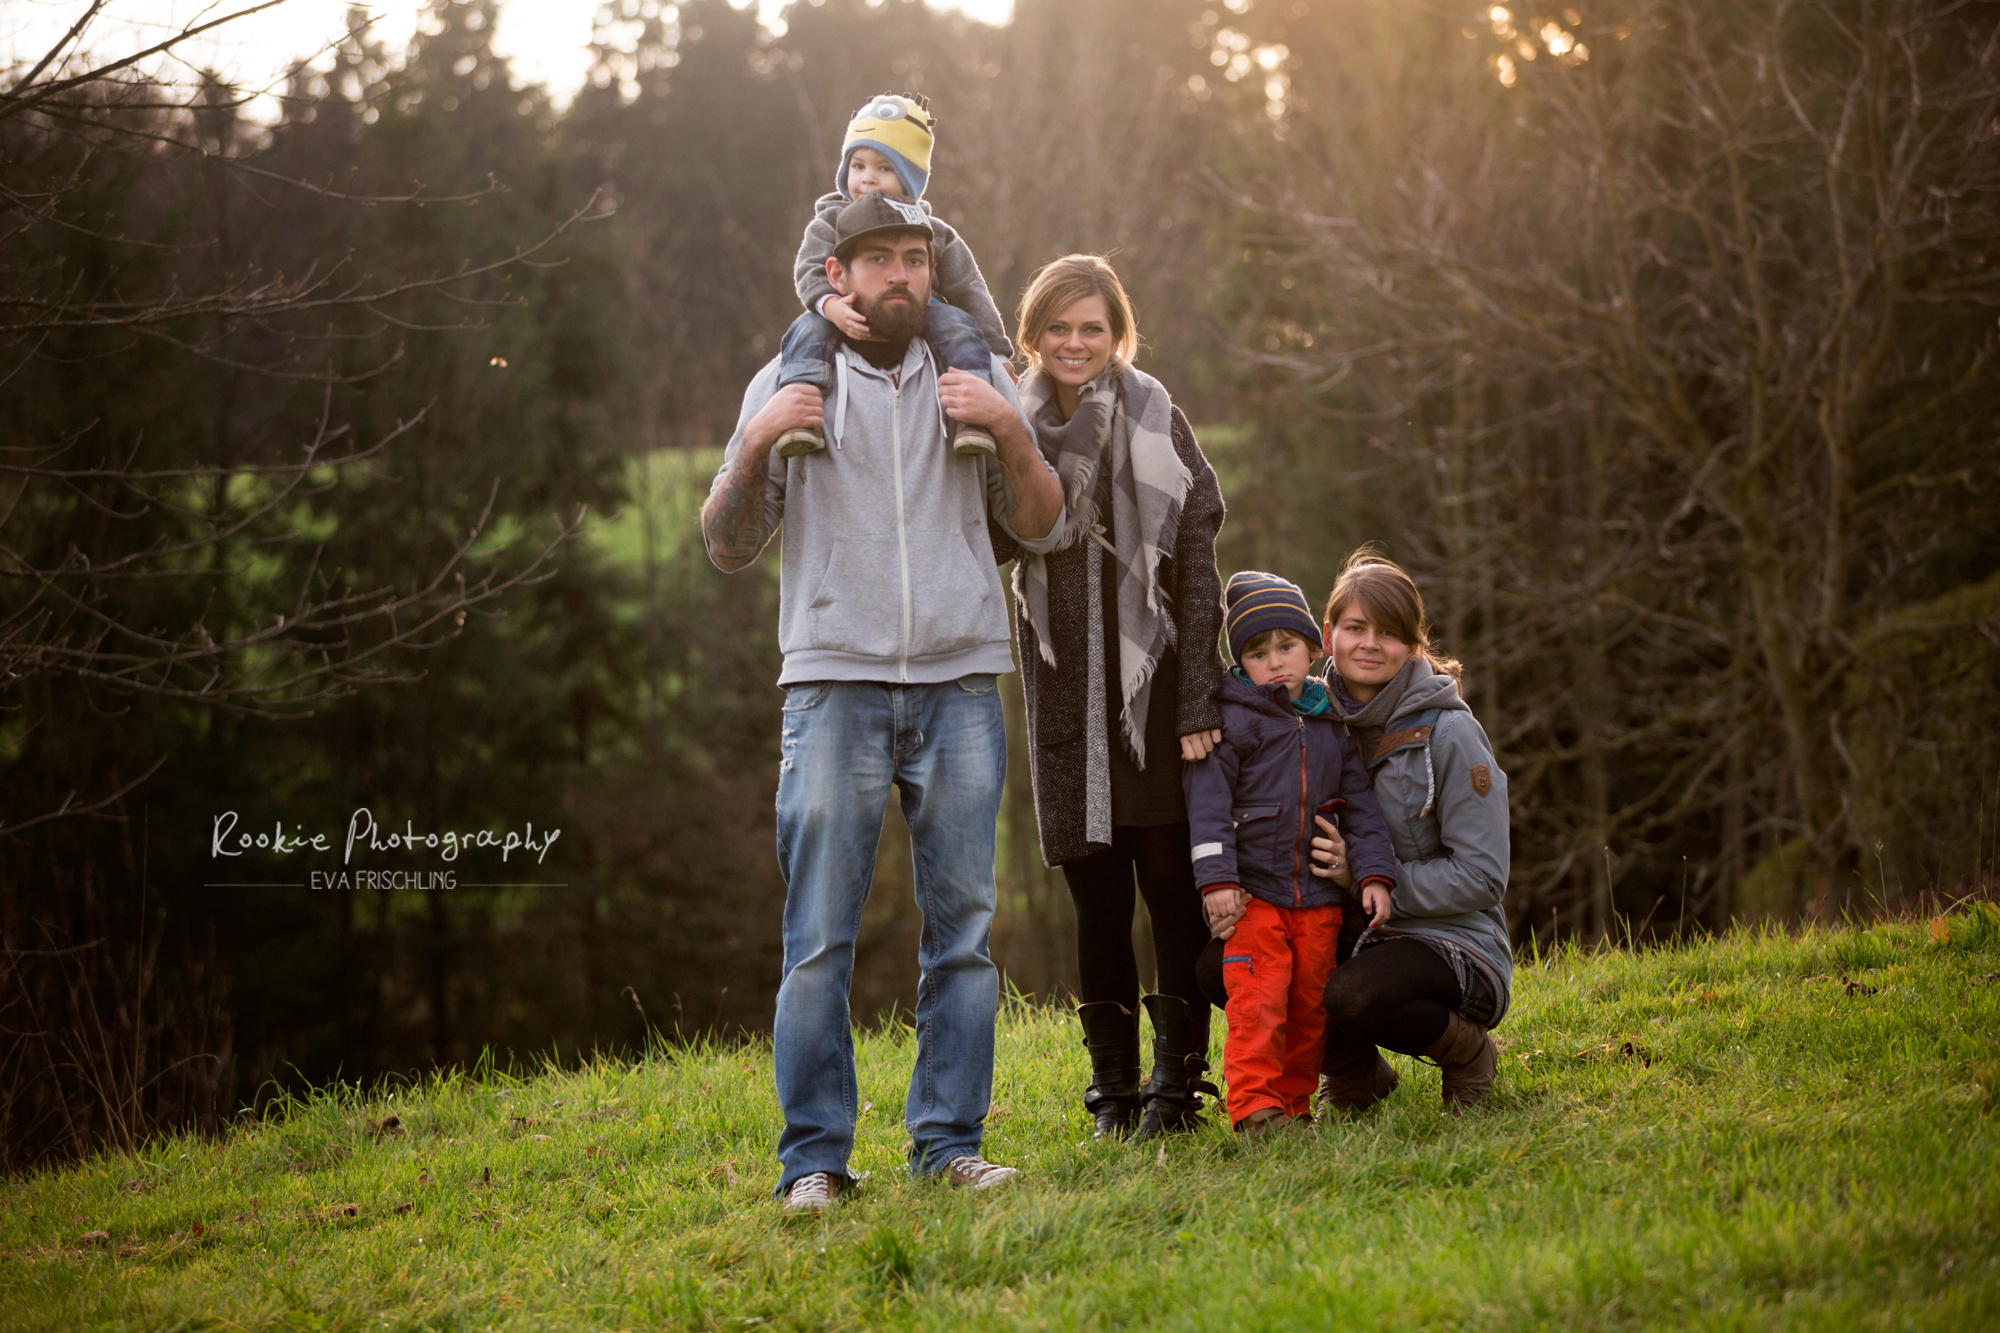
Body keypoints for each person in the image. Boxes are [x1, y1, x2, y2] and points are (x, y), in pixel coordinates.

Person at [700, 192, 1066, 1213]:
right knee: (818, 938)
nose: (900, 274)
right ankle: (812, 1161)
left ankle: (948, 1145)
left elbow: (1043, 525)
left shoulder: (976, 376)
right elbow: (726, 544)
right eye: (878, 258)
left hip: (960, 683)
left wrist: (1011, 429)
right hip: (832, 685)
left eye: (914, 256)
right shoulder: (786, 381)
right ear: (838, 275)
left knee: (964, 934)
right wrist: (757, 440)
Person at [1011, 254, 1229, 1141]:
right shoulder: (1012, 428)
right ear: (1033, 335)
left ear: (1118, 334)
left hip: (1159, 694)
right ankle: (1113, 1091)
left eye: (1092, 328)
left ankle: (1177, 1087)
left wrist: (1199, 699)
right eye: (1059, 327)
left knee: (1173, 893)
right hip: (1068, 698)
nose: (1075, 343)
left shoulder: (1155, 414)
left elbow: (1200, 552)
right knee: (1096, 902)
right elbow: (993, 533)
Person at [1185, 572, 1397, 1136]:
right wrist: (1217, 881)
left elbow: (1362, 809)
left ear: (1313, 648)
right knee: (1258, 1001)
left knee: (1308, 1007)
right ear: (1240, 663)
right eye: (1258, 654)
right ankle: (1255, 1108)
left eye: (1286, 647)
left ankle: (1294, 1107)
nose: (1275, 662)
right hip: (1254, 895)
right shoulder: (1231, 720)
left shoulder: (1330, 721)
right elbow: (1207, 807)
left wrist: (1375, 874)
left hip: (1319, 900)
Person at [1304, 548, 1513, 1111]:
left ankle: (1469, 1053)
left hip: (1453, 940)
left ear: (1413, 646)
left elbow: (1484, 877)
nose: (1370, 643)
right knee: (1229, 965)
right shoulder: (1302, 722)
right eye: (1356, 627)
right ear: (1328, 636)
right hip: (1349, 928)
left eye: (1390, 632)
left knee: (1355, 993)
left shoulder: (1451, 733)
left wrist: (1365, 878)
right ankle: (1355, 1075)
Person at [775, 92, 1011, 459]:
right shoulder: (830, 220)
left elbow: (968, 287)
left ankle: (972, 418)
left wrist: (998, 353)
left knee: (958, 324)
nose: (867, 179)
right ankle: (800, 414)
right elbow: (808, 268)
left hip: (917, 311)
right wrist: (830, 305)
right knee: (806, 331)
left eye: (884, 168)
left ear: (910, 180)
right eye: (857, 166)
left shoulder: (933, 230)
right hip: (842, 308)